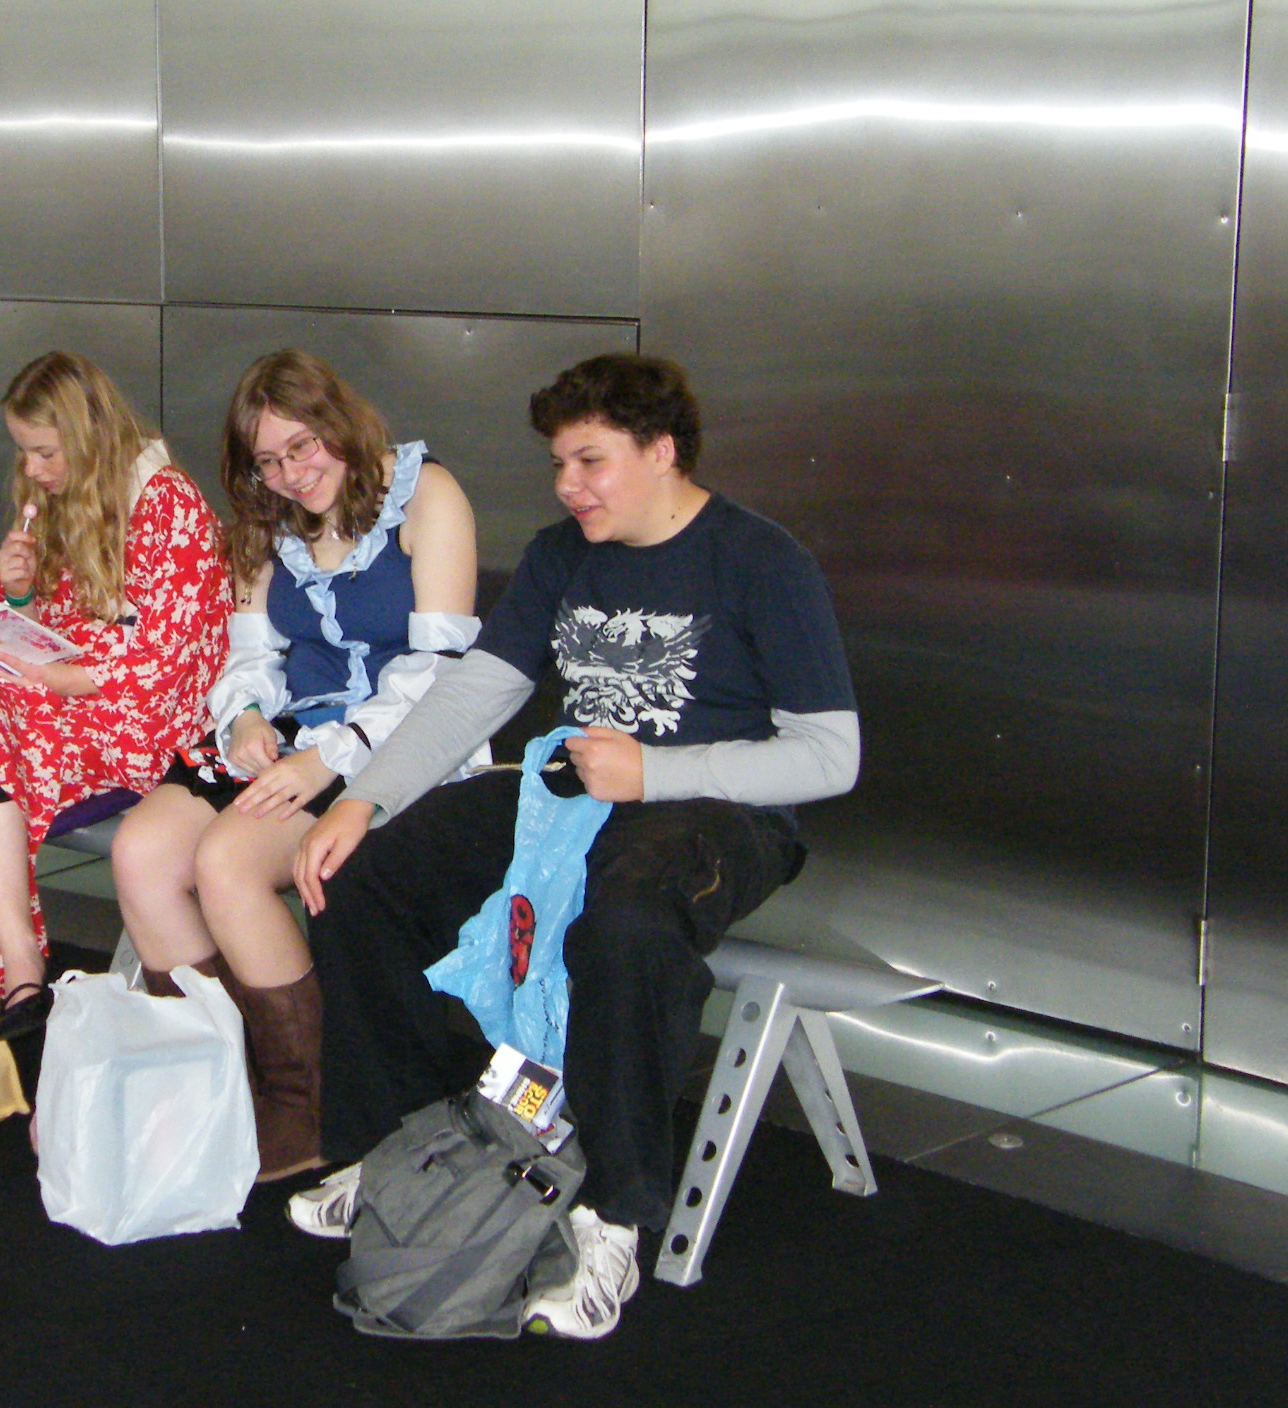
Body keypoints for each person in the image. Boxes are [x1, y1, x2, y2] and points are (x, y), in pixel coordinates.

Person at [284, 352, 860, 1340]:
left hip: (718, 813)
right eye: (559, 463)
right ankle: (405, 1152)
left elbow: (830, 756)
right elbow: (479, 689)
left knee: (623, 925)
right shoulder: (563, 554)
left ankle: (614, 1217)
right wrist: (363, 801)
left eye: (590, 462)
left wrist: (656, 772)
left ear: (662, 452)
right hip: (574, 793)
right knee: (364, 876)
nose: (567, 485)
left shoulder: (761, 561)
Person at [110, 351, 481, 1180]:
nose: (290, 475)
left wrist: (326, 760)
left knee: (227, 861)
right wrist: (244, 716)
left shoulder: (427, 495)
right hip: (292, 732)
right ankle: (209, 1078)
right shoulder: (268, 515)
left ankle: (303, 1097)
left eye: (303, 448)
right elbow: (250, 651)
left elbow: (440, 676)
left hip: (396, 744)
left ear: (339, 423)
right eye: (269, 462)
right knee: (140, 852)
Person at [0, 351, 230, 1040]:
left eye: (44, 452)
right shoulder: (62, 503)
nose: (32, 469)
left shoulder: (167, 501)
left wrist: (50, 678)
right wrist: (18, 595)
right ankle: (15, 964)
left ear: (88, 438)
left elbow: (163, 659)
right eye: (24, 452)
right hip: (68, 704)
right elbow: (21, 644)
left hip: (148, 719)